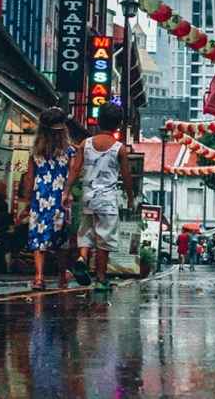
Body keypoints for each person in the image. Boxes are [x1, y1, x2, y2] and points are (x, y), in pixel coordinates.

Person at [64, 102, 134, 291]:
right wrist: (130, 196)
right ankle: (101, 279)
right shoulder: (119, 148)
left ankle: (82, 258)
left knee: (86, 232)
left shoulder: (85, 144)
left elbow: (75, 169)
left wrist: (67, 191)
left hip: (88, 196)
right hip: (107, 200)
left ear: (98, 121)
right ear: (118, 124)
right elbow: (127, 176)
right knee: (104, 239)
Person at [22, 106, 73, 291]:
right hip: (61, 197)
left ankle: (39, 277)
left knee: (39, 237)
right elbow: (73, 175)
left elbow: (29, 177)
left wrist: (27, 202)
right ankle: (62, 275)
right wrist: (68, 192)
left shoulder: (35, 152)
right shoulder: (69, 152)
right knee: (60, 239)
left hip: (40, 197)